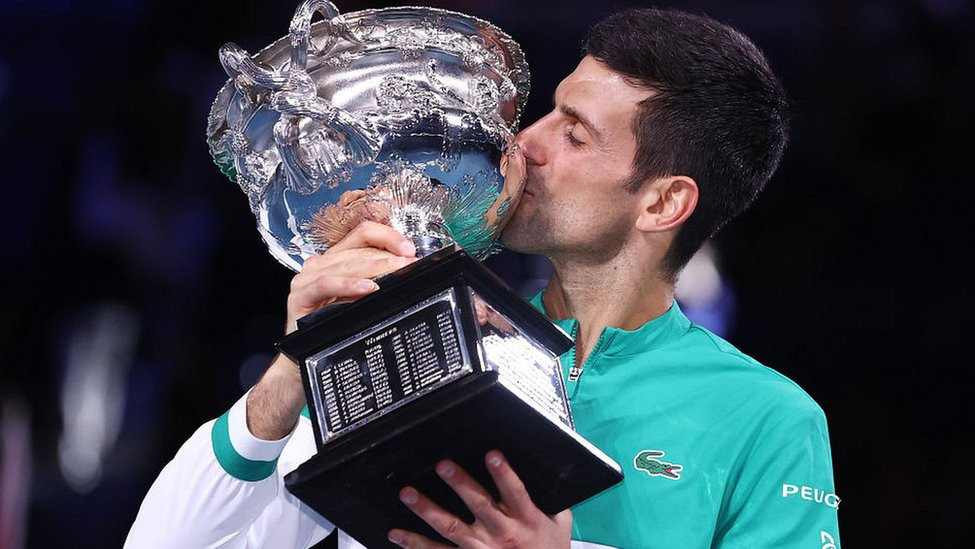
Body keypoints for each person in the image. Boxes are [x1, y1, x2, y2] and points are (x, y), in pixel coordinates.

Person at [127, 8, 840, 549]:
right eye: (549, 110)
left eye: (574, 133)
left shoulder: (767, 418)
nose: (523, 142)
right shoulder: (416, 349)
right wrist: (287, 379)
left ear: (662, 202)